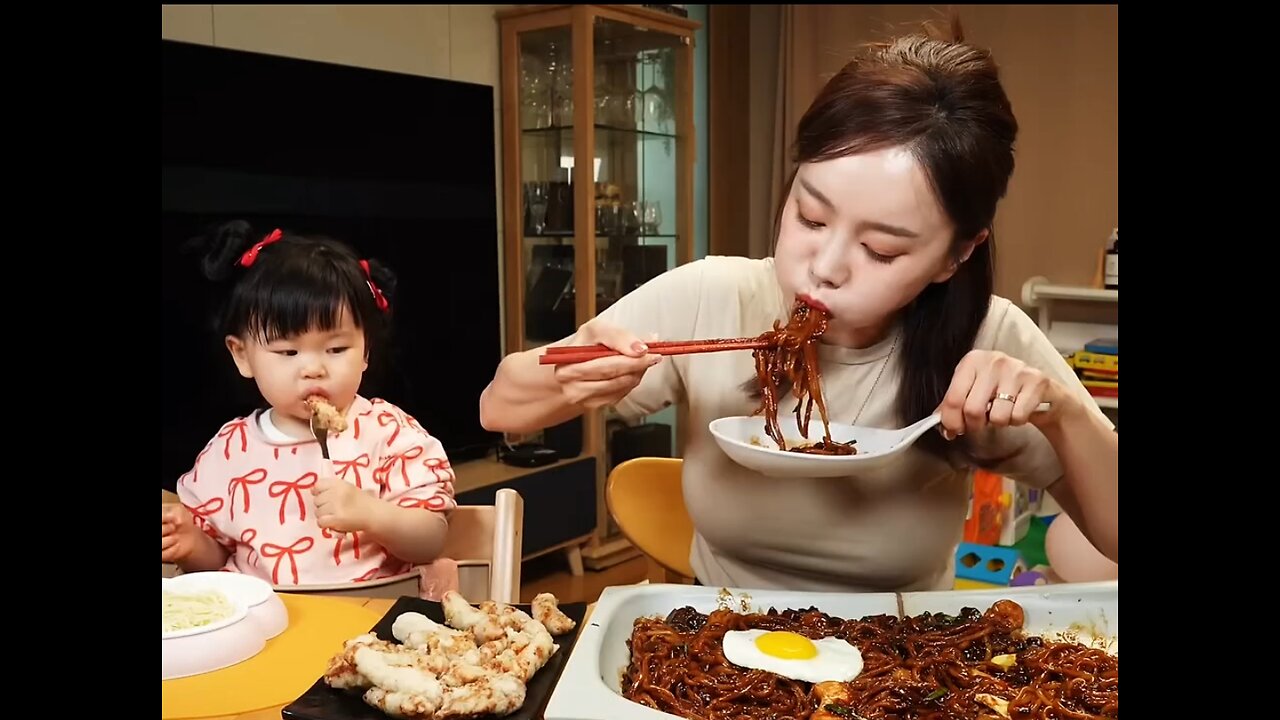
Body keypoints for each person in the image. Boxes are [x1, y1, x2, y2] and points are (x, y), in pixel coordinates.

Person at [479, 21, 1117, 592]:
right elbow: (499, 407)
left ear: (956, 256)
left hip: (902, 653)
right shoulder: (712, 295)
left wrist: (1061, 415)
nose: (825, 266)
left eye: (881, 249)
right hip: (719, 632)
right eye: (810, 215)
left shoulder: (990, 336)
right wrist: (571, 378)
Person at [161, 221, 457, 586]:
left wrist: (373, 514)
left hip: (370, 622)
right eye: (287, 351)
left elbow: (431, 540)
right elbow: (219, 563)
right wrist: (192, 545)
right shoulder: (227, 453)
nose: (314, 369)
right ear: (242, 356)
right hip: (268, 626)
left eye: (336, 349)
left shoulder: (390, 433)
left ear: (366, 350)